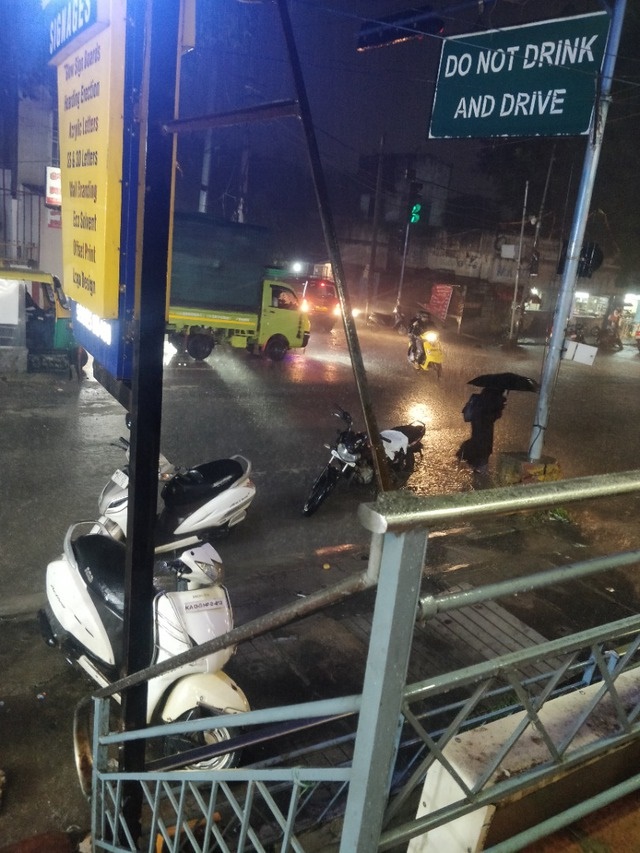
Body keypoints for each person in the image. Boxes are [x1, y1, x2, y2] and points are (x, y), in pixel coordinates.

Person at [456, 387, 506, 474]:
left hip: (477, 434)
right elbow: (494, 416)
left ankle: (474, 470)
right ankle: (480, 477)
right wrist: (501, 404)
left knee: (478, 456)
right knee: (482, 463)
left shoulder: (478, 400)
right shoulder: (492, 403)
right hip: (485, 438)